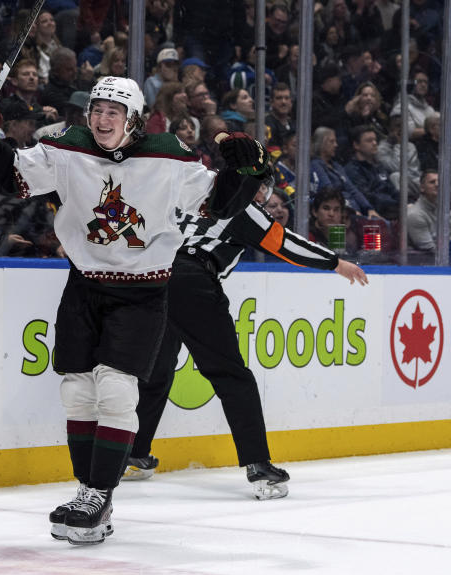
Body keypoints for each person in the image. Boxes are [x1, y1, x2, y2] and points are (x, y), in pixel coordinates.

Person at [0, 75, 269, 545]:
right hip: (84, 285)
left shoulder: (167, 152)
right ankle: (91, 494)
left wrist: (245, 172)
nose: (103, 119)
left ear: (134, 119)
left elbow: (218, 203)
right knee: (77, 391)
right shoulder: (68, 147)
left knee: (118, 389)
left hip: (144, 291)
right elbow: (14, 175)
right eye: (98, 110)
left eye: (114, 112)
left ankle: (99, 492)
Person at [124, 177, 368, 498]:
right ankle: (259, 466)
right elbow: (286, 244)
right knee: (232, 376)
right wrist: (335, 262)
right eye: (260, 186)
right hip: (189, 278)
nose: (263, 195)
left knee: (157, 368)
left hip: (148, 277)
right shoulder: (241, 208)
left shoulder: (187, 192)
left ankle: (134, 454)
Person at [344, 125, 398, 219]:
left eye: (375, 140)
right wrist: (397, 205)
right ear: (356, 145)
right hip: (374, 214)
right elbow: (367, 197)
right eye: (369, 140)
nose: (374, 143)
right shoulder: (352, 169)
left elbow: (392, 189)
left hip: (392, 209)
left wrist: (407, 203)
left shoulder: (379, 166)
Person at [407, 170, 439, 252]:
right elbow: (430, 249)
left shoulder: (443, 210)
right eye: (432, 182)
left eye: (440, 182)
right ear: (422, 188)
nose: (437, 184)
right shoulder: (415, 215)